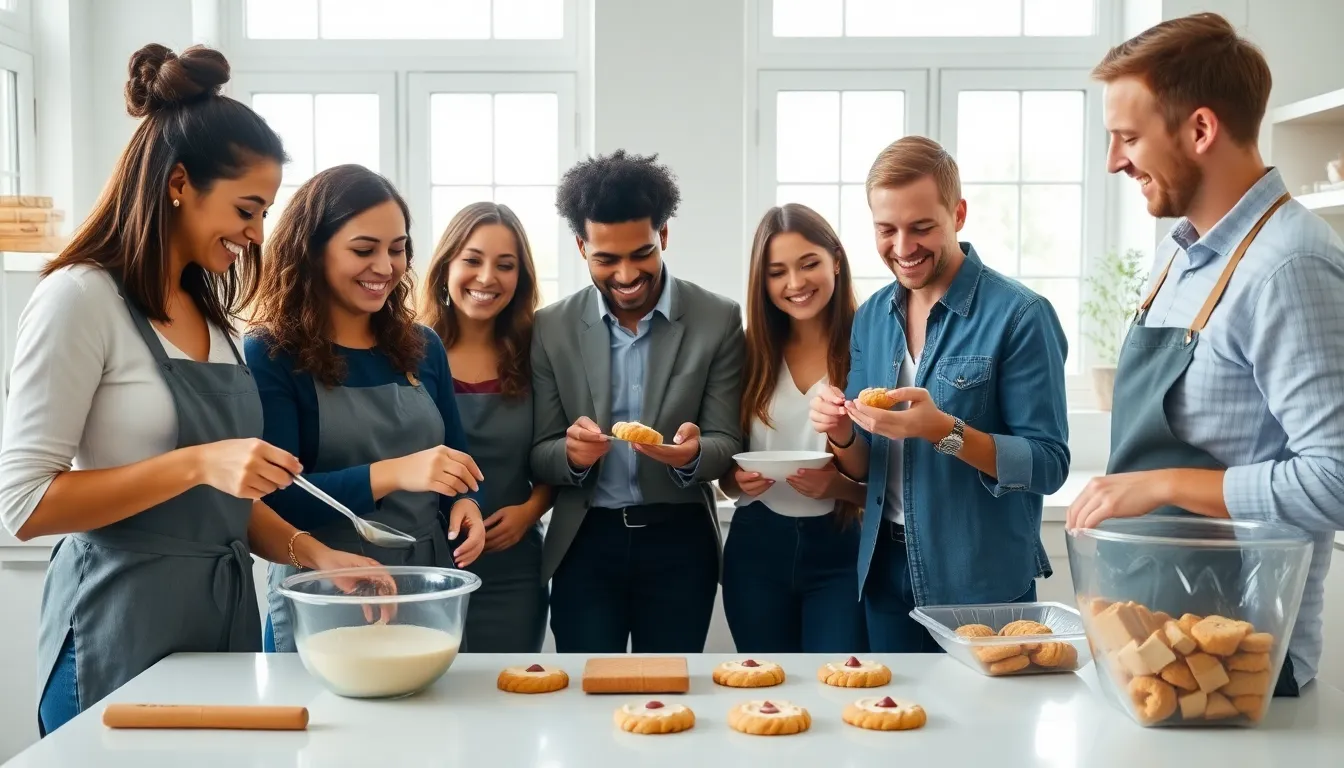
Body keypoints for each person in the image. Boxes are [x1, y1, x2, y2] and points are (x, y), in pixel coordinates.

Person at [0, 44, 382, 735]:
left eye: (265, 211)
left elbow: (223, 505)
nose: (257, 232)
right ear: (179, 182)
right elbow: (23, 506)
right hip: (115, 630)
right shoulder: (78, 300)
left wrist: (316, 556)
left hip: (219, 633)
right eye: (247, 207)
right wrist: (198, 462)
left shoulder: (214, 318)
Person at [1067, 13, 1344, 697]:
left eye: (1127, 137)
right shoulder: (1180, 252)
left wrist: (1161, 486)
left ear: (1200, 129)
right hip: (1149, 641)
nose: (1113, 161)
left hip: (1234, 661)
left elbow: (1336, 479)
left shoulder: (1288, 266)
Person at [809, 135, 1071, 653]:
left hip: (982, 579)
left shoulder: (1020, 316)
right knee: (896, 721)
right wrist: (841, 432)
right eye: (887, 230)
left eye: (922, 227)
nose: (903, 248)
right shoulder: (872, 317)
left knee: (987, 731)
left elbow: (1048, 465)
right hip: (883, 569)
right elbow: (867, 467)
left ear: (959, 213)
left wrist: (943, 431)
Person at [245, 164, 486, 653]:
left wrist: (466, 504)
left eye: (397, 249)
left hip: (426, 580)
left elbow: (455, 460)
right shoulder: (272, 353)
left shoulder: (423, 345)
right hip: (324, 585)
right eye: (364, 250)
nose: (385, 266)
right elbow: (278, 498)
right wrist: (396, 472)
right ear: (312, 251)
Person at [530, 149, 745, 653]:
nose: (626, 275)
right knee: (586, 699)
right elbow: (539, 449)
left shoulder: (718, 319)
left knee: (668, 699)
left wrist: (693, 453)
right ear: (582, 248)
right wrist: (571, 456)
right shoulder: (550, 327)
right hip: (585, 543)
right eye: (607, 258)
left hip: (678, 540)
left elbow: (726, 441)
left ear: (663, 236)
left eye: (641, 253)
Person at [719, 203, 868, 653]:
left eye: (809, 264)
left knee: (840, 689)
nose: (795, 284)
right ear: (762, 281)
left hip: (841, 546)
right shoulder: (747, 352)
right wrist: (732, 479)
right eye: (777, 272)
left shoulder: (869, 343)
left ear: (836, 261)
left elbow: (880, 478)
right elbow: (726, 470)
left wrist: (838, 487)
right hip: (755, 546)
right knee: (765, 692)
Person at [419, 202, 552, 653]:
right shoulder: (406, 352)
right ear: (446, 266)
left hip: (513, 567)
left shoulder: (541, 353)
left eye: (505, 265)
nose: (487, 277)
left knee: (510, 700)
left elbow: (560, 458)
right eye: (472, 260)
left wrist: (529, 512)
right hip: (425, 565)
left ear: (522, 278)